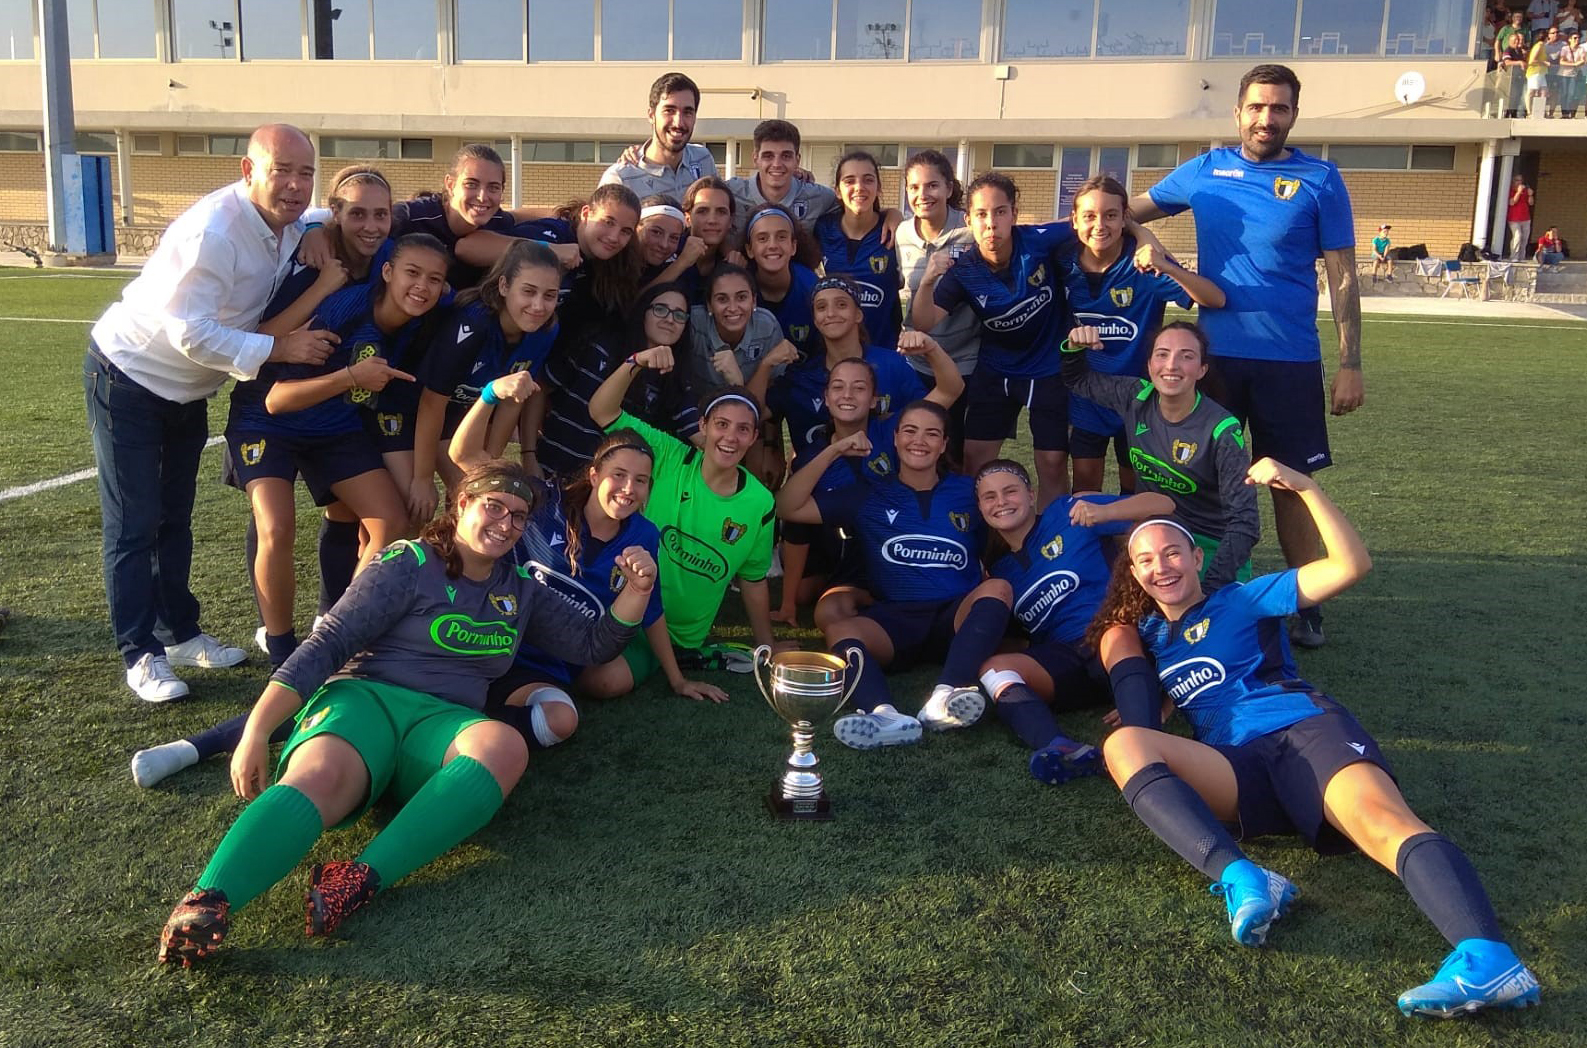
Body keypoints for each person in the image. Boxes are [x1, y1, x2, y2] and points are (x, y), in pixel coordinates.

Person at [1088, 460, 1541, 1020]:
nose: (1162, 567)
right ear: (1133, 573)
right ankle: (1248, 879)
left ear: (1198, 558)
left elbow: (1352, 564)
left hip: (1302, 732)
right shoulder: (1154, 637)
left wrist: (1306, 489)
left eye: (1173, 552)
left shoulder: (1244, 598)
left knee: (1382, 823)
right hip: (1239, 767)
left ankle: (1488, 957)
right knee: (1127, 745)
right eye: (1146, 560)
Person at [156, 460, 655, 966]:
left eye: (519, 516)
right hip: (366, 701)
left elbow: (594, 645)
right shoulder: (408, 563)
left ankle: (358, 878)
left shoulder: (520, 588)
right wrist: (258, 730)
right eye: (494, 507)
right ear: (460, 504)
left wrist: (636, 591)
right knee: (322, 774)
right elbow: (328, 645)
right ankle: (209, 901)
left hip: (440, 726)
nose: (506, 524)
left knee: (503, 745)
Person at [85, 123, 337, 702]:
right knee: (134, 522)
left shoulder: (292, 219)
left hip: (187, 392)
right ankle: (139, 652)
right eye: (282, 171)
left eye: (306, 173)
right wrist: (280, 347)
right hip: (129, 376)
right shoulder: (214, 232)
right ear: (248, 171)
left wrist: (319, 229)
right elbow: (190, 334)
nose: (296, 186)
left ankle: (179, 632)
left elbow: (329, 210)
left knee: (175, 515)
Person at [1129, 64, 1363, 650]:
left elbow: (1344, 275)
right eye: (1256, 107)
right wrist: (1155, 253)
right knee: (1198, 480)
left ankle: (1304, 602)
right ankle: (1193, 589)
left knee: (1290, 483)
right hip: (1215, 363)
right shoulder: (1205, 171)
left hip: (1289, 361)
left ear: (1293, 115)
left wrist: (1350, 362)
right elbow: (1123, 213)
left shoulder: (1320, 178)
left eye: (1279, 108)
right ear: (1238, 112)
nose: (1266, 118)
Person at [452, 374, 727, 706]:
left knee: (605, 684)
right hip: (508, 633)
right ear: (595, 475)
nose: (628, 489)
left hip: (576, 648)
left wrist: (678, 679)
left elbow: (650, 609)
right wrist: (490, 393)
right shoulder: (544, 501)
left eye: (641, 481)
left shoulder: (643, 535)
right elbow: (464, 454)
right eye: (619, 476)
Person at [240, 233, 449, 666]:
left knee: (392, 522)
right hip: (269, 420)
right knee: (276, 526)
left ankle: (340, 632)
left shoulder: (426, 318)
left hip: (334, 425)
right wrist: (350, 377)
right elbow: (276, 399)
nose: (422, 287)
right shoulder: (345, 309)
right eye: (412, 273)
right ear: (388, 272)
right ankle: (282, 650)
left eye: (434, 280)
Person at [777, 400, 1006, 749]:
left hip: (953, 615)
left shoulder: (967, 491)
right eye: (910, 431)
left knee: (998, 588)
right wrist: (835, 450)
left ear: (944, 444)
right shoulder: (870, 493)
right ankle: (884, 715)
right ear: (895, 439)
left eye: (932, 434)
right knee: (841, 629)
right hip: (895, 618)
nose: (920, 441)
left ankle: (945, 696)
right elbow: (788, 505)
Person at [973, 459, 1171, 783]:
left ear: (1031, 493)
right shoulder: (999, 571)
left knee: (1114, 634)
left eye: (1010, 491)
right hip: (1067, 658)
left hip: (1117, 638)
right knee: (994, 668)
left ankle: (1144, 744)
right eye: (990, 497)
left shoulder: (1066, 513)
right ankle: (1061, 748)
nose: (1001, 502)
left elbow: (1162, 505)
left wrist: (1103, 513)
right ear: (980, 508)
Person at [588, 346, 783, 674]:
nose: (730, 437)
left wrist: (768, 645)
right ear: (703, 425)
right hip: (623, 612)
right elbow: (602, 411)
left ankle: (681, 657)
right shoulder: (669, 455)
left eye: (743, 429)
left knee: (605, 680)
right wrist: (634, 361)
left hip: (681, 637)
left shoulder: (761, 503)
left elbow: (752, 579)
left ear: (753, 438)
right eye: (721, 424)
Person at [911, 171, 1078, 506]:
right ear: (969, 219)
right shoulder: (964, 267)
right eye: (982, 215)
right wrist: (928, 280)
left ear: (1014, 214)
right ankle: (982, 542)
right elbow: (924, 322)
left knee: (1052, 463)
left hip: (1047, 368)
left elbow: (1094, 218)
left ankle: (1052, 540)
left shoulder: (1039, 240)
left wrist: (1141, 233)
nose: (991, 224)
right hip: (996, 370)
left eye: (1000, 212)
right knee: (975, 463)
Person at [772, 338, 963, 627]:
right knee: (803, 594)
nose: (847, 394)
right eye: (838, 387)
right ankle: (855, 593)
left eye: (859, 388)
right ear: (825, 397)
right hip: (841, 548)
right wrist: (835, 450)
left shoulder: (895, 431)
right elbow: (788, 512)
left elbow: (951, 389)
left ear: (874, 399)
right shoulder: (814, 454)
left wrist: (931, 348)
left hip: (899, 537)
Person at [1055, 175, 1224, 494]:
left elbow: (1215, 298)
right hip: (1087, 394)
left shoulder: (1144, 263)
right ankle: (1096, 546)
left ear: (1124, 219)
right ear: (1074, 220)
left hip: (1138, 397)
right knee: (1085, 488)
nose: (1099, 225)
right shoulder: (1061, 261)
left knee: (1136, 491)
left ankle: (1130, 546)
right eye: (1089, 216)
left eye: (1111, 215)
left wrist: (1169, 266)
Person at [1063, 321, 1260, 594]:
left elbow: (1245, 524)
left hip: (1206, 543)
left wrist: (1209, 585)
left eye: (1186, 356)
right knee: (1079, 505)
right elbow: (1079, 380)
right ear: (1149, 364)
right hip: (1154, 527)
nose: (1171, 365)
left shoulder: (1222, 430)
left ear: (1202, 370)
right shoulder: (1136, 396)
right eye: (1162, 354)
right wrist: (1074, 348)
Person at [410, 240, 562, 510]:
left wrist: (489, 463)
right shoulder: (474, 322)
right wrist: (422, 478)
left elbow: (514, 398)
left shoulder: (546, 331)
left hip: (467, 415)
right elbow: (432, 401)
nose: (538, 305)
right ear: (504, 286)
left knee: (482, 490)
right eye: (528, 291)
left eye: (549, 295)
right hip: (420, 411)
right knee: (455, 501)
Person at [538, 281, 701, 479]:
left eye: (679, 315)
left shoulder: (676, 379)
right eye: (660, 309)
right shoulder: (600, 345)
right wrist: (528, 454)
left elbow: (701, 438)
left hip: (602, 490)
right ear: (643, 312)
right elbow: (540, 389)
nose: (670, 319)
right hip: (546, 468)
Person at [300, 144, 515, 288]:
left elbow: (522, 215)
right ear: (450, 184)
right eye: (472, 184)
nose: (482, 196)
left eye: (493, 188)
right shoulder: (410, 216)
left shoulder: (496, 219)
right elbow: (351, 212)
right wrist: (313, 227)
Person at [764, 275, 926, 462]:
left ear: (858, 314)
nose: (831, 314)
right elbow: (755, 414)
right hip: (820, 485)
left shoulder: (893, 364)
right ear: (815, 320)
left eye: (841, 305)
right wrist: (765, 365)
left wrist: (931, 350)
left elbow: (932, 407)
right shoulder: (800, 377)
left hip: (886, 480)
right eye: (821, 307)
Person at [895, 149, 980, 459]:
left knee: (955, 450)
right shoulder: (902, 232)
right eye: (914, 187)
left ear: (948, 187)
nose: (923, 194)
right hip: (916, 362)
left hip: (964, 361)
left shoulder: (972, 229)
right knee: (919, 448)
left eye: (932, 185)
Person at [814, 151, 904, 347]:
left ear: (879, 188)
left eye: (868, 180)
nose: (859, 187)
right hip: (836, 353)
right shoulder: (822, 229)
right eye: (849, 181)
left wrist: (895, 214)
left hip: (883, 351)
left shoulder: (897, 233)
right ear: (837, 190)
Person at [600, 72, 718, 200]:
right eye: (669, 111)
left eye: (687, 112)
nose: (678, 122)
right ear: (651, 115)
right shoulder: (621, 178)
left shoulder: (703, 159)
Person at [726, 119, 838, 237]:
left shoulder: (819, 197)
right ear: (755, 159)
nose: (777, 164)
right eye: (768, 156)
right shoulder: (731, 193)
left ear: (797, 160)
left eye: (786, 156)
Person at [743, 203, 820, 344]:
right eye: (762, 238)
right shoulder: (739, 286)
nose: (772, 245)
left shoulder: (811, 288)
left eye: (781, 237)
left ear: (793, 246)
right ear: (750, 250)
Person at [1500, 26, 1532, 117]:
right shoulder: (1508, 50)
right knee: (1512, 98)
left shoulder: (1519, 51)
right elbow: (1507, 62)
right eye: (1515, 40)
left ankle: (1515, 114)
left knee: (1518, 97)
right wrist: (1519, 62)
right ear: (1510, 41)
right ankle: (1507, 115)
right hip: (1511, 79)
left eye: (1518, 40)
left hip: (1519, 77)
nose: (1517, 42)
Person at [1557, 29, 1585, 116]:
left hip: (1574, 74)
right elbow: (1561, 61)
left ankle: (1568, 111)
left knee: (1571, 94)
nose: (1577, 40)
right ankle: (1564, 112)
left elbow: (1583, 60)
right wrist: (1574, 64)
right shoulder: (1565, 48)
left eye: (1578, 38)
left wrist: (1575, 63)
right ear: (1569, 39)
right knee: (1564, 93)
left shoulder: (1581, 49)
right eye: (1575, 38)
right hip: (1563, 74)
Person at [1507, 174, 1535, 260]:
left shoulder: (1525, 191)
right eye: (1517, 180)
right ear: (1513, 181)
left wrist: (1530, 195)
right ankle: (1514, 256)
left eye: (1520, 180)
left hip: (1526, 218)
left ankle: (1521, 257)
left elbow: (1531, 203)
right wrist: (1518, 192)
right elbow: (1512, 202)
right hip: (1514, 218)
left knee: (1524, 238)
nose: (1519, 182)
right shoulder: (1510, 190)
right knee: (1517, 236)